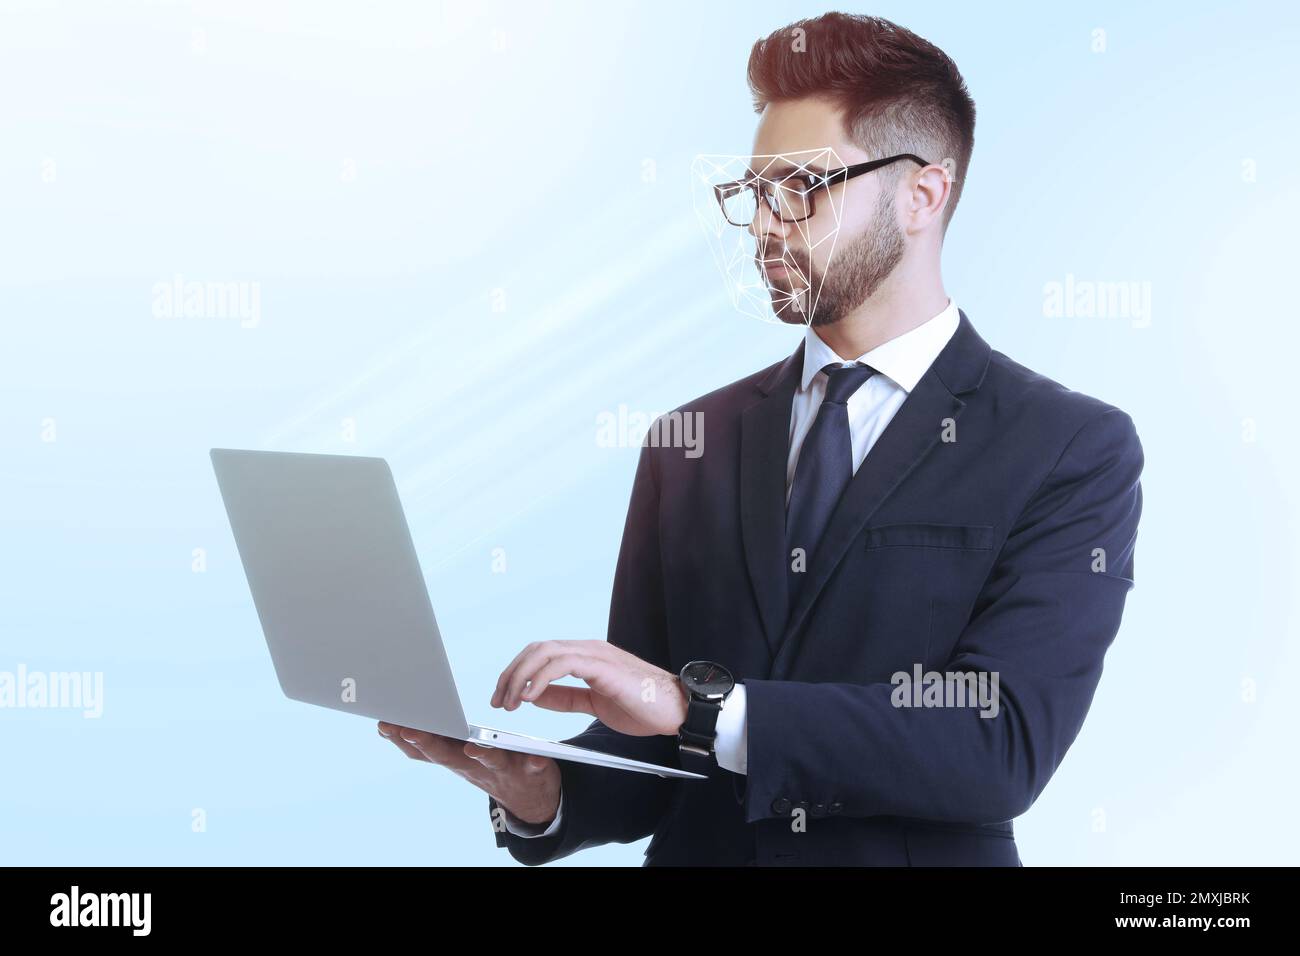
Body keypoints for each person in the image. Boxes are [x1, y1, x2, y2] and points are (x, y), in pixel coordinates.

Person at [379, 12, 1143, 866]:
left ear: (924, 194)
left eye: (804, 187)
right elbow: (656, 747)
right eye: (754, 192)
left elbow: (1000, 743)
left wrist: (704, 708)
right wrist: (547, 792)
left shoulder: (1069, 447)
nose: (767, 227)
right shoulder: (689, 441)